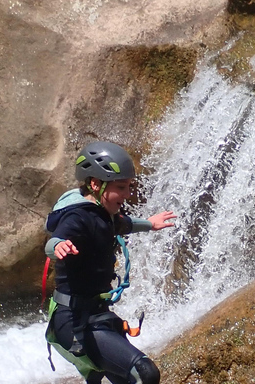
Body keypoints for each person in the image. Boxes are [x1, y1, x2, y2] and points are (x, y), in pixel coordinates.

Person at [44, 141, 176, 384]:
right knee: (146, 373)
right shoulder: (78, 216)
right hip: (74, 322)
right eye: (121, 187)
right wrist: (58, 247)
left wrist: (150, 224)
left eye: (129, 186)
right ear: (95, 184)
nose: (127, 194)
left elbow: (123, 224)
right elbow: (55, 240)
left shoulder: (103, 214)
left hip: (95, 314)